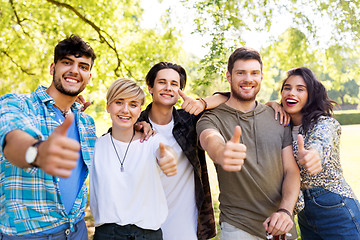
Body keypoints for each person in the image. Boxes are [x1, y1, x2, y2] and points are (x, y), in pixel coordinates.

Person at [196, 47, 300, 240]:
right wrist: (221, 152)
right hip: (238, 226)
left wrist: (285, 211)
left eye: (254, 73)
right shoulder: (211, 119)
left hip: (281, 225)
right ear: (229, 76)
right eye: (240, 73)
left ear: (261, 76)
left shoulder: (278, 116)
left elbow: (291, 171)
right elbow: (210, 140)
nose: (248, 79)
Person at [0, 35, 96, 239]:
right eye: (67, 63)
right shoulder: (16, 104)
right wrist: (37, 153)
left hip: (77, 229)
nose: (75, 71)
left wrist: (143, 124)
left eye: (83, 66)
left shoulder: (86, 123)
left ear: (88, 76)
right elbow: (12, 141)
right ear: (53, 69)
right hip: (29, 235)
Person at [137, 62, 228, 240]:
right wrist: (135, 128)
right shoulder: (136, 124)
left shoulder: (190, 121)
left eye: (174, 84)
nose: (168, 88)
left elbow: (229, 97)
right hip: (145, 221)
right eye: (162, 82)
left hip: (185, 223)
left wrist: (201, 103)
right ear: (150, 88)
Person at [271, 67, 360, 239]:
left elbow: (321, 142)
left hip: (336, 208)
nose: (291, 93)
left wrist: (313, 155)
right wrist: (272, 104)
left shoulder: (324, 123)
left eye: (300, 89)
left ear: (311, 94)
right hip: (305, 214)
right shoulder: (281, 126)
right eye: (287, 88)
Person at [90, 78, 177, 240]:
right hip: (107, 235)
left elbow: (164, 152)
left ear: (140, 110)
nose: (125, 110)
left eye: (133, 104)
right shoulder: (96, 146)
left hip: (148, 235)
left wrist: (167, 158)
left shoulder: (152, 141)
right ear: (108, 106)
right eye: (119, 102)